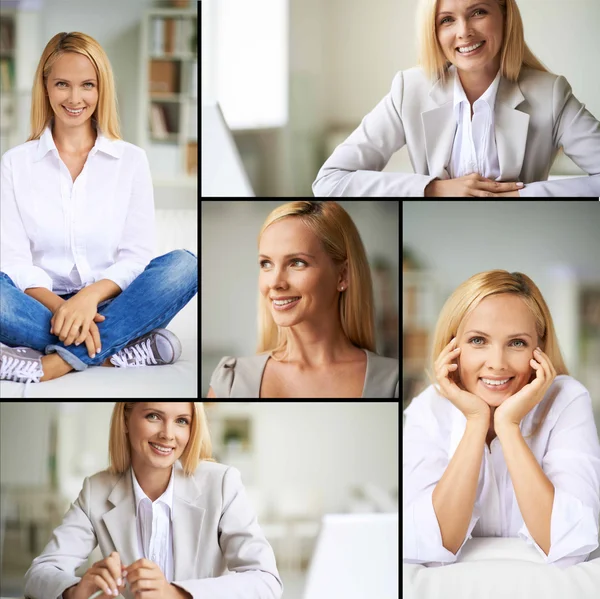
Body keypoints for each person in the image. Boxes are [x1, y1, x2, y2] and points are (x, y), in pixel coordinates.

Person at [0, 32, 198, 394]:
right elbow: (13, 259)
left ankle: (57, 360)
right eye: (62, 84)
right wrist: (65, 309)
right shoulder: (14, 164)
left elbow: (135, 256)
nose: (75, 98)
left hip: (111, 300)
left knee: (186, 265)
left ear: (101, 89)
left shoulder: (132, 160)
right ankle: (115, 348)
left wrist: (87, 300)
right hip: (40, 303)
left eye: (87, 85)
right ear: (45, 87)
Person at [403, 270, 600, 568]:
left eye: (517, 343)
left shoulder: (568, 399)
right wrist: (476, 421)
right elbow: (426, 546)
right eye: (478, 340)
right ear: (452, 346)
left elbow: (569, 545)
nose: (497, 363)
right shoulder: (427, 409)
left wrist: (508, 427)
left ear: (540, 348)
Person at [312, 0, 600, 197]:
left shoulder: (550, 93)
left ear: (505, 16)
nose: (464, 32)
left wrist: (522, 195)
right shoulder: (408, 89)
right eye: (447, 20)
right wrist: (434, 189)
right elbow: (330, 181)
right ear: (434, 32)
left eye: (478, 12)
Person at [23, 402, 283, 599]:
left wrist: (177, 594)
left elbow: (266, 581)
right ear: (126, 418)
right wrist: (78, 591)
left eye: (182, 421)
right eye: (154, 416)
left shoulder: (223, 483)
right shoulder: (96, 489)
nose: (168, 434)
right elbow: (39, 573)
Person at [207, 201, 399, 398]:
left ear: (343, 275)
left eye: (297, 263)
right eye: (266, 263)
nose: (275, 282)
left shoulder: (392, 381)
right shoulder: (232, 381)